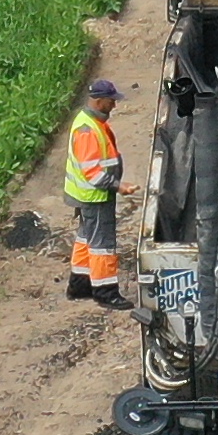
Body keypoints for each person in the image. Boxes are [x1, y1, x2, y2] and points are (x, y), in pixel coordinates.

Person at [61, 81, 130, 301]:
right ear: (99, 101)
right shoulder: (88, 130)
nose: (114, 106)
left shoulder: (90, 123)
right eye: (111, 101)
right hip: (95, 197)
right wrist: (120, 186)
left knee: (85, 239)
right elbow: (93, 173)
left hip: (87, 196)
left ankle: (79, 286)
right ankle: (105, 292)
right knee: (102, 245)